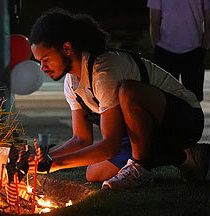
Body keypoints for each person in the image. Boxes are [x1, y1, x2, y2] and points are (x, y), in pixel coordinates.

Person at [28, 8, 210, 190]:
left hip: (185, 119)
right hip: (147, 131)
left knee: (127, 91)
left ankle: (140, 167)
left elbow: (110, 146)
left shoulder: (102, 70)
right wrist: (42, 160)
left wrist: (55, 164)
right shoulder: (71, 82)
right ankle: (184, 157)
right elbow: (81, 139)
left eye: (46, 60)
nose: (43, 67)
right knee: (93, 173)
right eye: (39, 62)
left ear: (66, 48)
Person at [148, 0, 210, 102]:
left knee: (166, 101)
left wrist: (157, 46)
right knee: (192, 102)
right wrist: (203, 47)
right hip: (192, 48)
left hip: (169, 49)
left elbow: (154, 20)